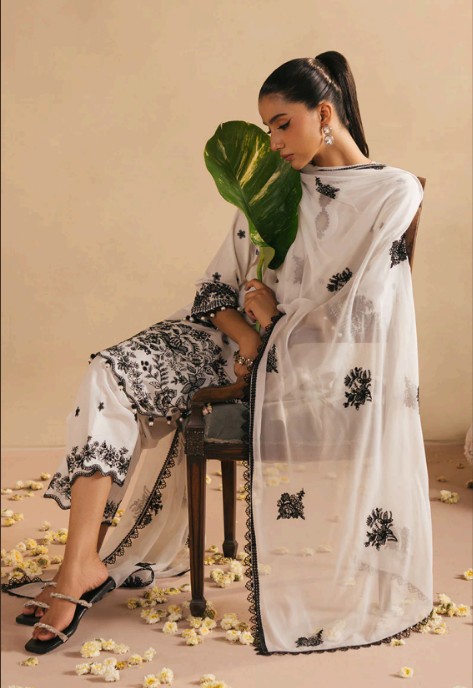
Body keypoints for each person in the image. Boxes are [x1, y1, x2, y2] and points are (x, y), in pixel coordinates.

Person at [10, 50, 433, 655]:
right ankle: (79, 565)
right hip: (228, 342)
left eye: (283, 124)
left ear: (323, 113)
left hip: (309, 363)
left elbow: (363, 310)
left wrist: (273, 322)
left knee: (125, 380)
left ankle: (76, 577)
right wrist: (248, 332)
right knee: (107, 372)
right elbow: (215, 290)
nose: (273, 142)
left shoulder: (391, 191)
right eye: (266, 128)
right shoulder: (272, 187)